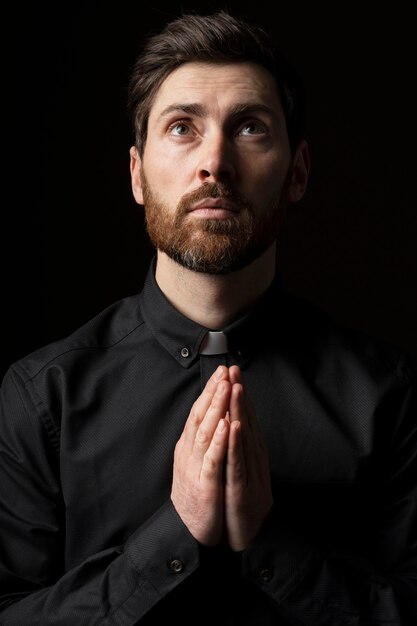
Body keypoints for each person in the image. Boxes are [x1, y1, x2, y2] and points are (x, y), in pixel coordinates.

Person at [0, 9, 416, 625]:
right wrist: (175, 534)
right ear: (138, 175)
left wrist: (268, 543)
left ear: (297, 171)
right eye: (181, 128)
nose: (215, 162)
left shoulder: (385, 394)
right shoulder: (42, 397)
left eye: (249, 128)